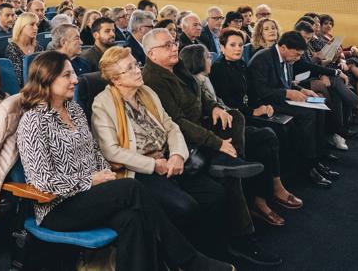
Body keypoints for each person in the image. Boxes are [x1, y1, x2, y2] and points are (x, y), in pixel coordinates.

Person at [16, 51, 234, 271]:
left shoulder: (73, 109)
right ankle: (189, 260)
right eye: (67, 75)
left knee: (133, 219)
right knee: (130, 188)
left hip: (90, 195)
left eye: (73, 73)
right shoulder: (33, 121)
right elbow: (41, 182)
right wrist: (91, 180)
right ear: (47, 79)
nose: (75, 80)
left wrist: (105, 173)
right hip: (57, 207)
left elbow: (94, 151)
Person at [141, 28, 280, 265]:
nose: (175, 46)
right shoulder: (153, 80)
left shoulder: (177, 67)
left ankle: (232, 160)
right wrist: (216, 142)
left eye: (173, 42)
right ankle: (242, 237)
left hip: (201, 127)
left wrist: (214, 106)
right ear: (152, 54)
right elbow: (176, 122)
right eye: (167, 45)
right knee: (230, 181)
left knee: (233, 115)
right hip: (183, 141)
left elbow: (201, 94)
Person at [208, 30, 303, 226]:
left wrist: (262, 107)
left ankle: (278, 184)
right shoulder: (218, 69)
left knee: (283, 126)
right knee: (268, 136)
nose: (237, 49)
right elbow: (227, 103)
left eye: (239, 45)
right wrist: (253, 112)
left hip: (249, 113)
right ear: (222, 47)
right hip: (233, 122)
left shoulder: (242, 65)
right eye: (232, 45)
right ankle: (264, 197)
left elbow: (253, 93)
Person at [247, 31, 339, 188]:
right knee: (308, 114)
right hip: (265, 103)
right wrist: (288, 93)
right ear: (283, 48)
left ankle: (316, 159)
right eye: (296, 55)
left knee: (320, 107)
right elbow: (260, 91)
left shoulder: (286, 58)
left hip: (280, 98)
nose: (298, 58)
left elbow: (285, 83)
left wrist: (301, 89)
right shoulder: (263, 59)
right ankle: (307, 167)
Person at [293, 21, 358, 133]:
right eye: (304, 37)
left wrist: (332, 63)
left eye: (308, 38)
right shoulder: (293, 47)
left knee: (337, 87)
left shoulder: (305, 46)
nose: (305, 41)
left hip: (308, 77)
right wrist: (333, 72)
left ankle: (339, 132)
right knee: (336, 81)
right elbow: (307, 66)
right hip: (299, 82)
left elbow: (312, 66)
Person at [6, 12, 43, 86]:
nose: (36, 27)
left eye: (36, 24)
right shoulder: (12, 48)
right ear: (21, 27)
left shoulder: (39, 47)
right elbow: (18, 78)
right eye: (32, 24)